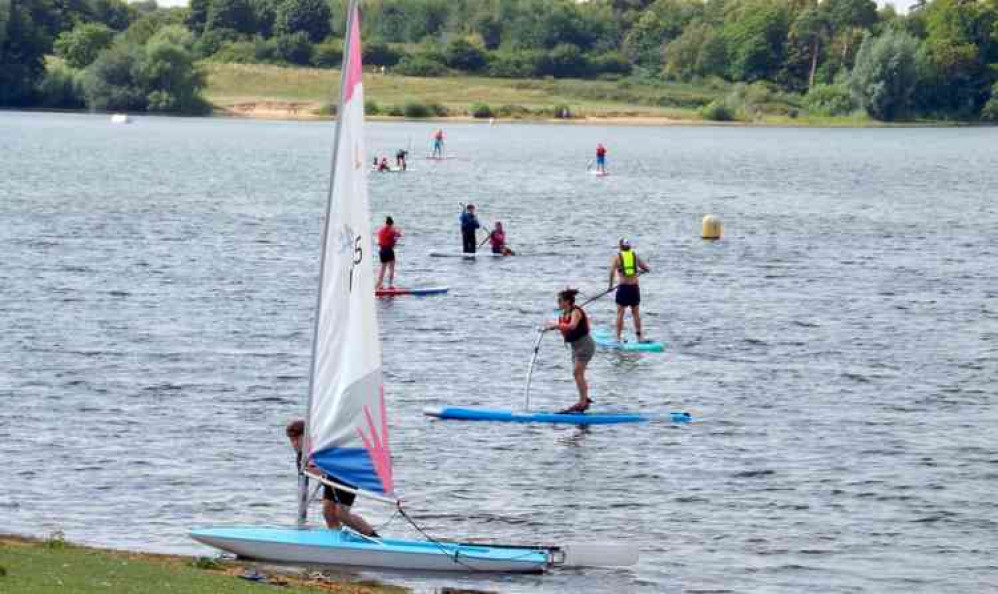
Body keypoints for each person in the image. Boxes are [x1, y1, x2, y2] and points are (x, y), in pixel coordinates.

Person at [285, 419, 379, 537]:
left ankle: (373, 537)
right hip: (330, 480)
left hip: (346, 476)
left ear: (306, 437)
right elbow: (303, 484)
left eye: (297, 439)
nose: (294, 444)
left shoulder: (321, 448)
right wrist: (301, 511)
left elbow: (335, 465)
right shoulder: (301, 457)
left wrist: (321, 469)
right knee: (327, 513)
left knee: (342, 515)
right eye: (291, 440)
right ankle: (337, 540)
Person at [545, 288, 595, 414]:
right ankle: (584, 399)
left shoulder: (575, 312)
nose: (558, 303)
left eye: (560, 300)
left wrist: (556, 326)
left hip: (585, 345)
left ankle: (582, 402)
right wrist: (550, 326)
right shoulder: (564, 314)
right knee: (578, 374)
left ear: (567, 302)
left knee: (577, 373)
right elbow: (565, 330)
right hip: (575, 347)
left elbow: (572, 326)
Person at [609, 238, 651, 343]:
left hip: (623, 288)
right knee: (635, 313)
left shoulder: (617, 258)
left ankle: (618, 338)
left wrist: (610, 286)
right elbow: (647, 269)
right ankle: (639, 337)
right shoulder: (635, 256)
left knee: (620, 313)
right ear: (629, 247)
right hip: (634, 288)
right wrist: (640, 271)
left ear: (620, 246)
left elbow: (611, 272)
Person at [375, 216, 402, 290]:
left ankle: (380, 285)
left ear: (386, 223)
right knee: (391, 268)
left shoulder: (380, 230)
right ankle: (390, 285)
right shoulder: (391, 230)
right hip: (389, 250)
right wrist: (398, 231)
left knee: (382, 269)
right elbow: (399, 235)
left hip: (381, 251)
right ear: (391, 224)